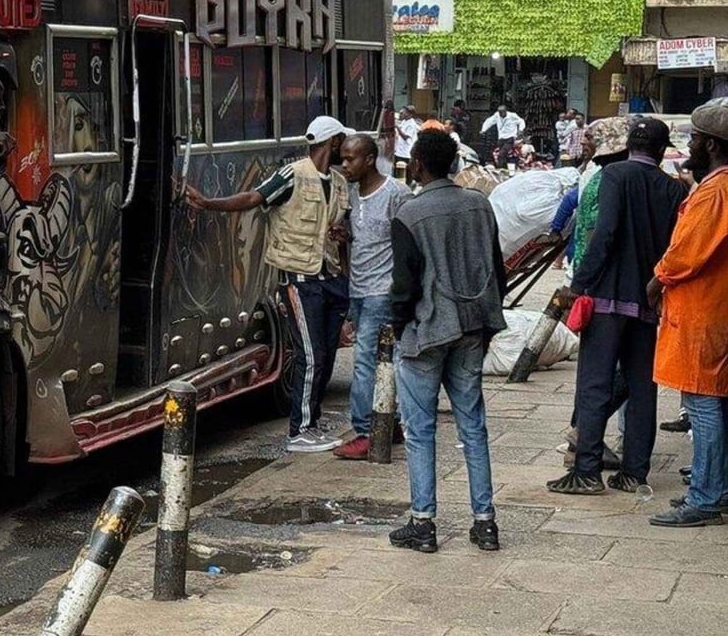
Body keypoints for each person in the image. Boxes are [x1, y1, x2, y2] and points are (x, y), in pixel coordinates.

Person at [186, 116, 352, 453]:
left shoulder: (338, 182)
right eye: (342, 143)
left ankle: (312, 423)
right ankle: (300, 432)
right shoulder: (292, 175)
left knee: (327, 355)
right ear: (332, 142)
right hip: (300, 281)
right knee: (311, 354)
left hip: (332, 280)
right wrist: (208, 204)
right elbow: (253, 198)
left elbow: (340, 231)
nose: (346, 149)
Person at [547, 118, 687, 497]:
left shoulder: (615, 176)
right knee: (643, 388)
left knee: (594, 385)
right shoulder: (673, 190)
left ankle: (587, 471)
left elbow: (605, 232)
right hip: (647, 301)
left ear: (629, 146)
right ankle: (634, 473)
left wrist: (579, 284)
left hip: (608, 298)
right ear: (661, 151)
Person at [387, 130, 508, 553]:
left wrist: (398, 327)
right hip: (473, 326)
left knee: (420, 432)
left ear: (417, 165)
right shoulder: (479, 204)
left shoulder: (409, 213)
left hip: (428, 330)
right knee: (473, 426)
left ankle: (423, 524)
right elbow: (497, 267)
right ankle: (485, 522)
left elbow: (404, 285)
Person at [647, 99, 728, 526]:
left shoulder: (715, 191)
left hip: (704, 312)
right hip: (714, 308)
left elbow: (686, 255)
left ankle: (707, 496)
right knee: (716, 403)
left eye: (695, 139)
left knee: (704, 404)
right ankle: (716, 485)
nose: (690, 146)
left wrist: (656, 278)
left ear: (712, 145)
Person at [333, 134, 412, 460]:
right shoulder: (351, 194)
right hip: (359, 289)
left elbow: (410, 241)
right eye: (343, 158)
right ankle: (386, 422)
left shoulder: (396, 194)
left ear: (369, 159)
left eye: (351, 159)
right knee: (378, 362)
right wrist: (345, 236)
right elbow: (361, 239)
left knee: (366, 362)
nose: (345, 165)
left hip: (383, 291)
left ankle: (366, 431)